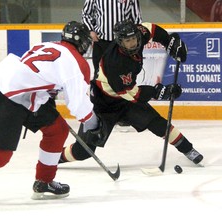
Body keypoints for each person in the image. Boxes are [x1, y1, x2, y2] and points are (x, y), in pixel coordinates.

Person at [0, 21, 100, 200]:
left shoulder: (49, 45)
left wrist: (47, 96)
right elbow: (78, 106)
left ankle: (44, 181)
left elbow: (37, 75)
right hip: (10, 97)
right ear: (82, 42)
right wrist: (94, 125)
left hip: (22, 93)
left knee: (57, 129)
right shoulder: (77, 63)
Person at [59, 20, 204, 166]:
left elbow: (151, 28)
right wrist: (160, 91)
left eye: (134, 38)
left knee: (157, 123)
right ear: (120, 41)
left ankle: (188, 149)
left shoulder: (138, 35)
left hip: (125, 98)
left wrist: (170, 42)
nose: (133, 43)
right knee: (83, 151)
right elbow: (134, 95)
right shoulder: (115, 63)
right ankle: (54, 158)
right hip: (103, 103)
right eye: (128, 41)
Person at [82, 0, 142, 78]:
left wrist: (134, 37)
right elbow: (86, 14)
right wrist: (90, 30)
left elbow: (136, 18)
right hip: (101, 42)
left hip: (123, 44)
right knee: (100, 75)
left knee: (123, 74)